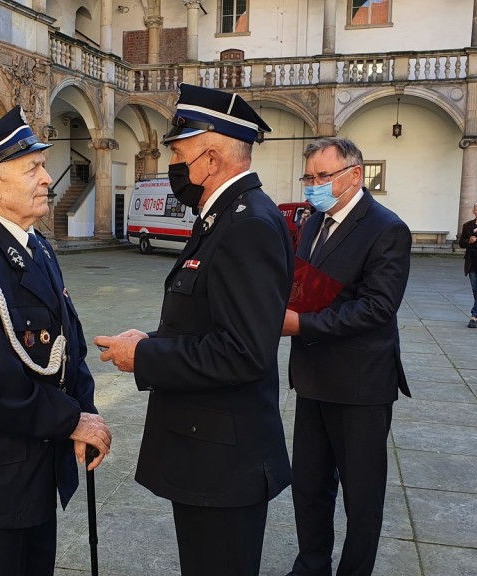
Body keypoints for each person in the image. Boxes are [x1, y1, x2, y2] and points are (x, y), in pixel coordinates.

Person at [95, 83, 294, 576]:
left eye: (180, 152)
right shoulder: (223, 217)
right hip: (209, 452)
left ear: (210, 157)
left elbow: (244, 351)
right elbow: (207, 320)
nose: (175, 165)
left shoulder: (247, 224)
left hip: (225, 461)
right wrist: (152, 341)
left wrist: (143, 359)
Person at [0, 105, 111, 576]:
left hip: (36, 459)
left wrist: (85, 410)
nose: (46, 178)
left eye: (43, 166)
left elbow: (67, 342)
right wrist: (72, 419)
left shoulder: (38, 246)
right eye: (32, 167)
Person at [281, 137, 411, 576]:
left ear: (355, 175)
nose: (314, 186)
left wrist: (302, 324)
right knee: (310, 487)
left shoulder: (386, 228)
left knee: (362, 494)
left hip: (360, 385)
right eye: (309, 177)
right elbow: (305, 287)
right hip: (313, 378)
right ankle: (311, 565)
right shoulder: (314, 222)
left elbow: (378, 308)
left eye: (323, 177)